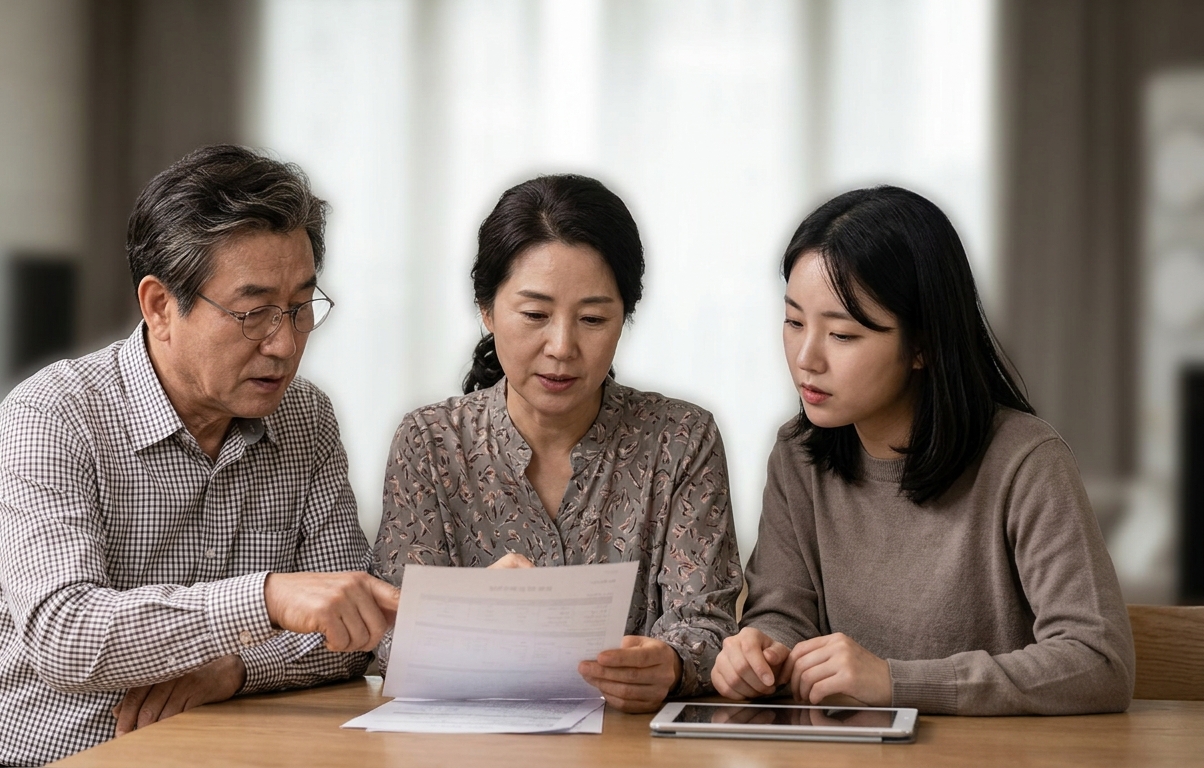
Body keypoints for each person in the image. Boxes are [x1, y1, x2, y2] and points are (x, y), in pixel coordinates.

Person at [0, 146, 399, 766]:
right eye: (253, 311)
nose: (285, 343)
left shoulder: (305, 419)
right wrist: (263, 602)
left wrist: (232, 669)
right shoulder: (51, 414)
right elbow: (65, 635)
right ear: (159, 306)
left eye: (299, 307)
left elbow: (348, 635)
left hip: (220, 753)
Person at [711, 185, 1135, 715]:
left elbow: (1099, 663)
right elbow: (783, 615)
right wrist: (762, 653)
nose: (805, 358)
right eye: (794, 321)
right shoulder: (798, 455)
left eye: (841, 335)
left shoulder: (1026, 461)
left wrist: (895, 683)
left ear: (922, 344)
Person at [371, 174, 742, 713]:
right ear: (486, 309)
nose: (563, 347)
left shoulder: (681, 439)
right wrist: (470, 608)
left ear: (624, 319)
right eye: (535, 315)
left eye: (593, 319)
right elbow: (386, 637)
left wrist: (672, 665)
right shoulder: (430, 442)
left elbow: (707, 626)